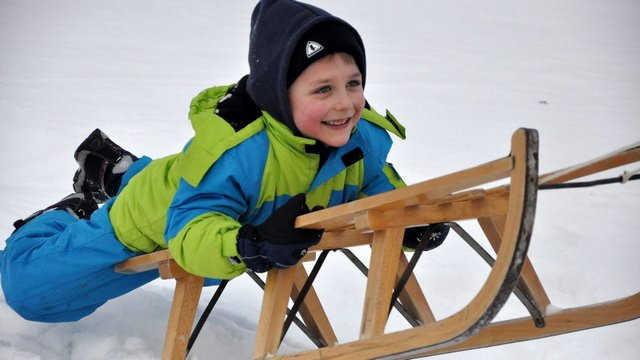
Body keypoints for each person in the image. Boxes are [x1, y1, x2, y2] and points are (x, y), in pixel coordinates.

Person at [0, 0, 448, 323]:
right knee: (32, 293)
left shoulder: (361, 136)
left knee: (206, 228)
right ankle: (65, 216)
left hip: (218, 201)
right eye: (322, 90)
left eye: (353, 83)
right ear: (279, 96)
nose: (345, 103)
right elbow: (189, 229)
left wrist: (405, 218)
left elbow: (372, 182)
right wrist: (247, 244)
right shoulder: (240, 151)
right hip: (157, 217)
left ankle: (117, 170)